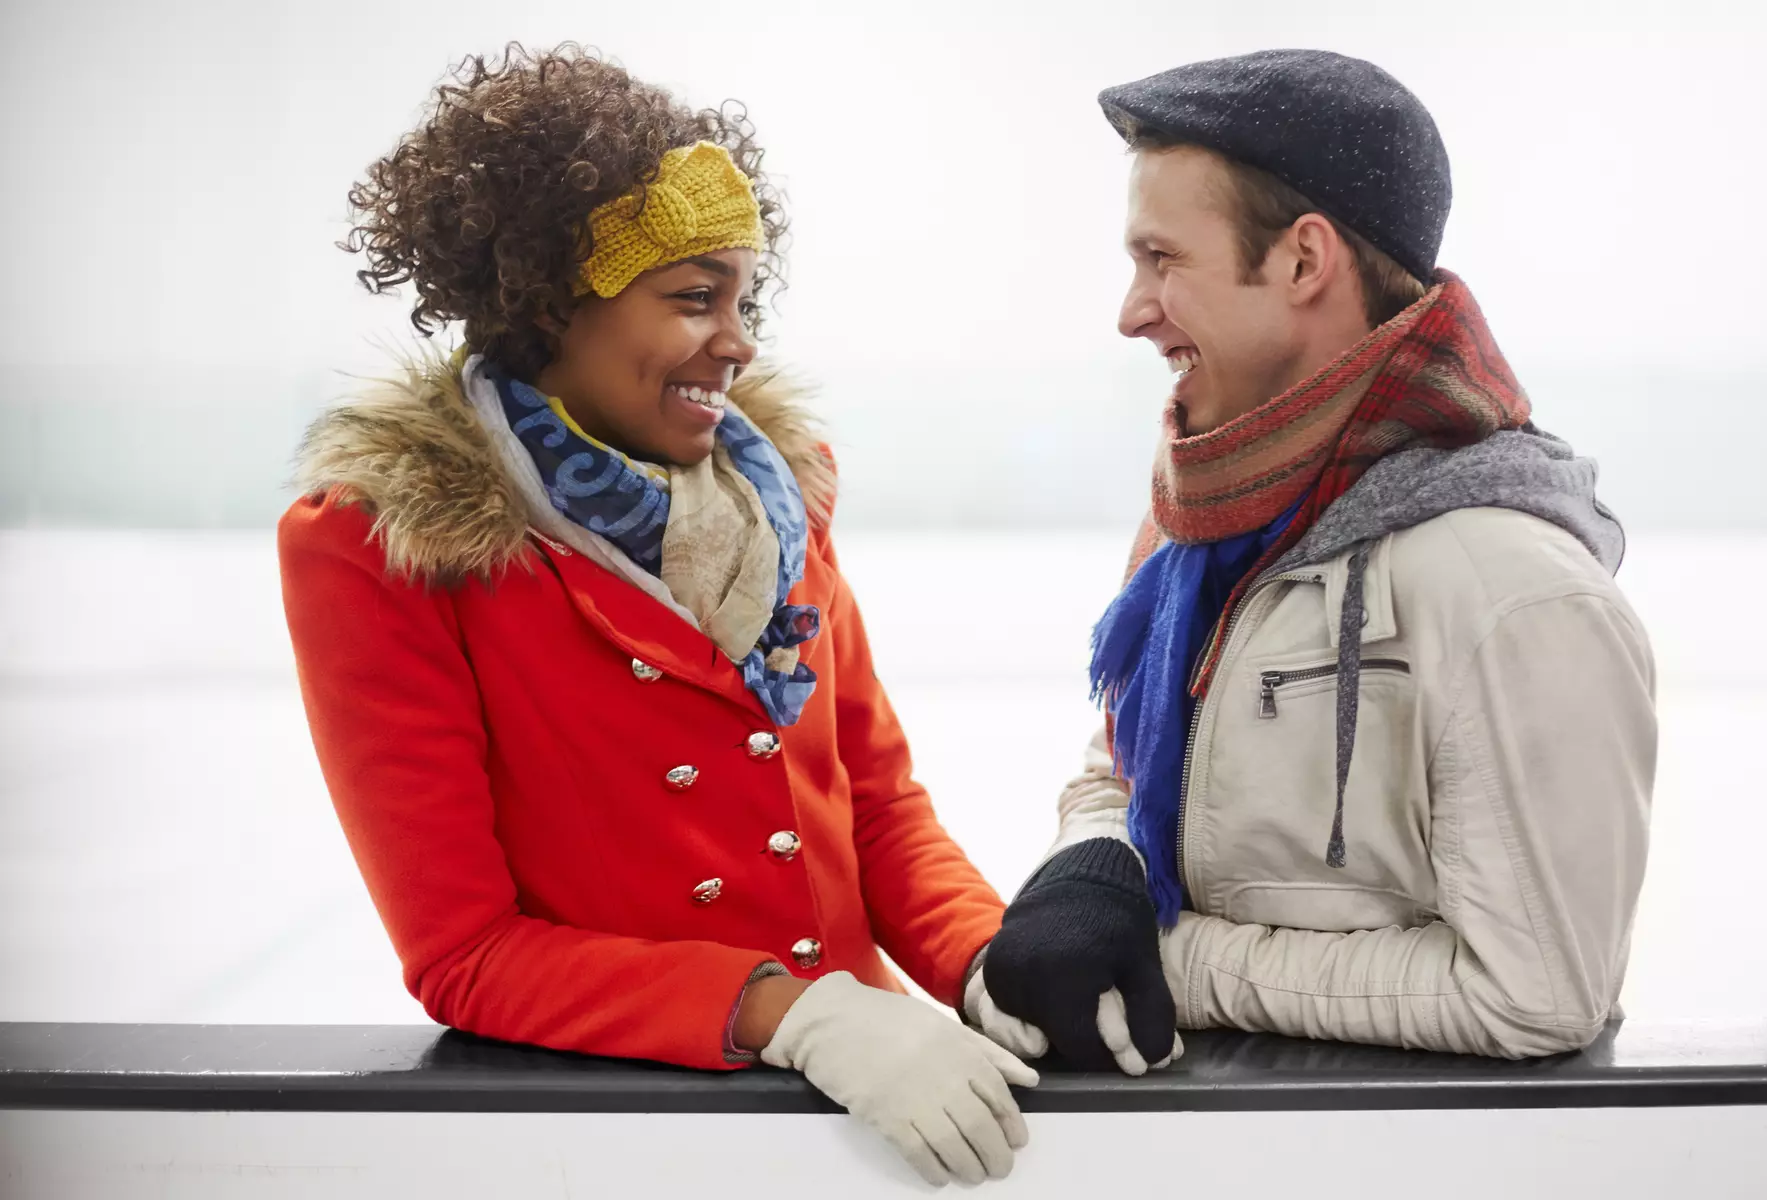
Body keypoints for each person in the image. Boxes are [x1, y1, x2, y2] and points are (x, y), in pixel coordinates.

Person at [279, 44, 1032, 1186]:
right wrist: (792, 1014)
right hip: (625, 1133)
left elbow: (876, 809)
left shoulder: (785, 497)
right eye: (694, 298)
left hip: (879, 1115)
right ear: (548, 302)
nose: (738, 339)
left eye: (744, 300)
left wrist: (996, 965)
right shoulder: (378, 545)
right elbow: (465, 954)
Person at [968, 49, 1657, 1069]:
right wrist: (1091, 865)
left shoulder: (1512, 592)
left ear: (1303, 261)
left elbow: (1537, 992)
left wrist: (1171, 960)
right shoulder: (1200, 533)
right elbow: (1130, 762)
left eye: (1162, 259)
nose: (1131, 310)